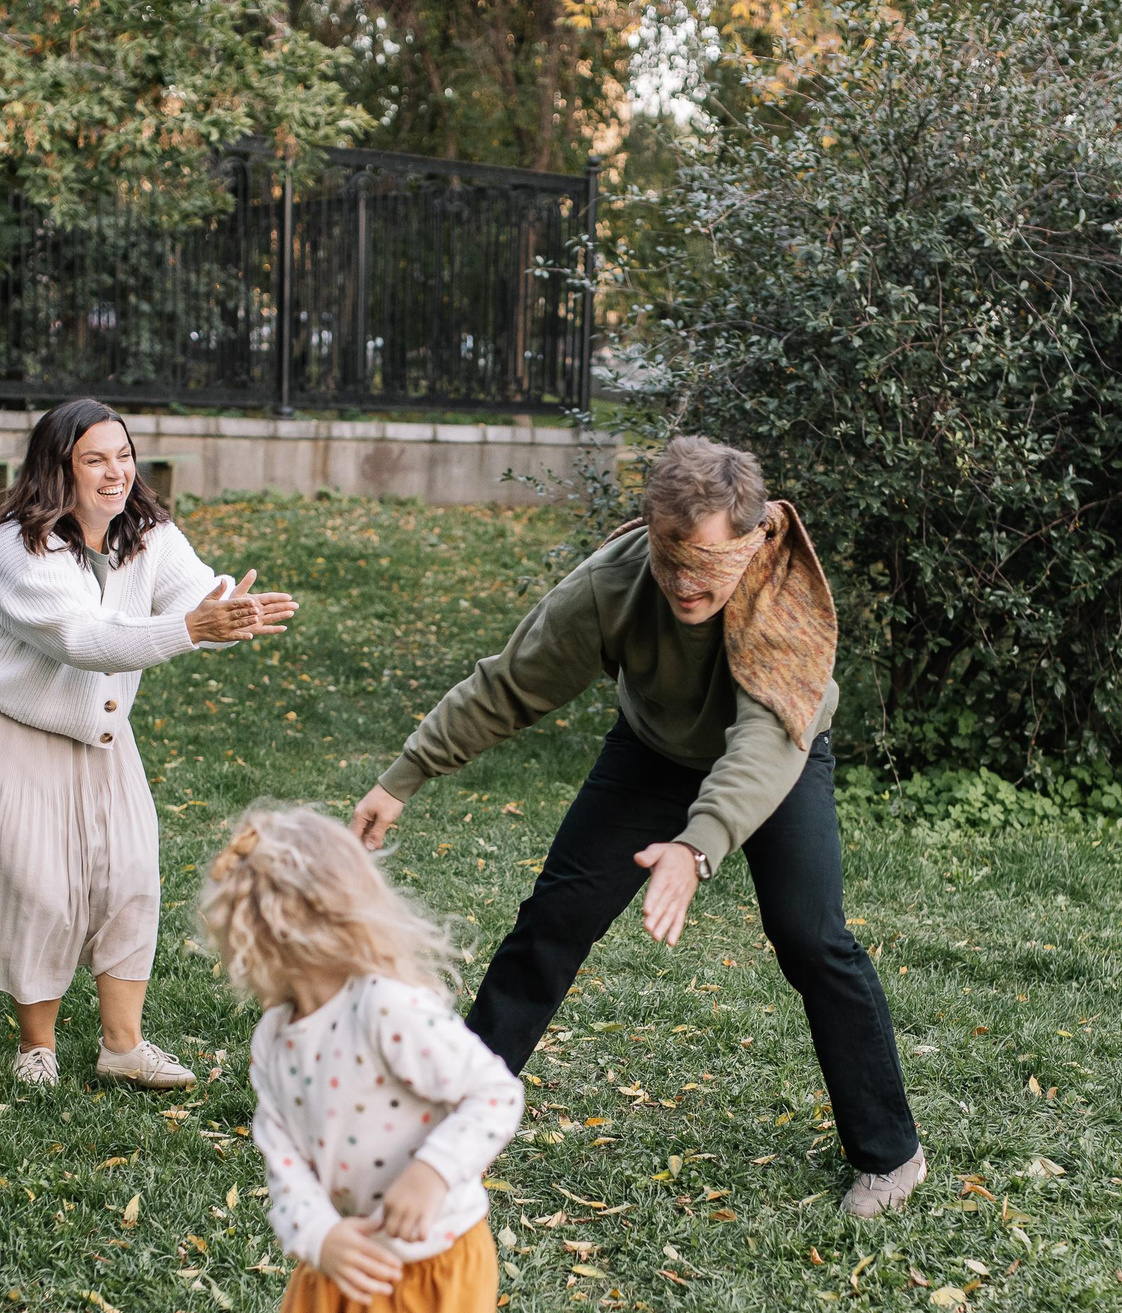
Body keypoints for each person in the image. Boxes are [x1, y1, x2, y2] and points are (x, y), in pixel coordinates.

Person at [350, 437, 926, 1218]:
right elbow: (510, 683)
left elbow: (760, 744)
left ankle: (891, 1154)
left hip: (777, 750)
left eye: (706, 566)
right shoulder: (615, 583)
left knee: (811, 937)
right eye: (669, 559)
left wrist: (696, 845)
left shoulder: (782, 594)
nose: (686, 584)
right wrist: (406, 773)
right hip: (653, 751)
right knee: (552, 921)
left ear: (753, 540)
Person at [196, 806, 562, 1313]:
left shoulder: (386, 1010)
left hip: (430, 1264)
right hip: (340, 1268)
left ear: (309, 926)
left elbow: (494, 1093)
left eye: (254, 941)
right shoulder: (272, 1041)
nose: (244, 964)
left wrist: (432, 1171)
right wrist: (321, 1236)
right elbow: (280, 1154)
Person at [0, 398, 296, 1087]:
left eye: (124, 455)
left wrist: (230, 605)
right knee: (42, 888)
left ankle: (122, 1046)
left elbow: (193, 588)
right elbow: (84, 640)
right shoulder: (18, 546)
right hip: (6, 725)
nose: (116, 473)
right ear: (59, 469)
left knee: (130, 874)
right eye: (96, 459)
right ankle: (36, 1045)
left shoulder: (146, 530)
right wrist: (192, 629)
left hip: (98, 729)